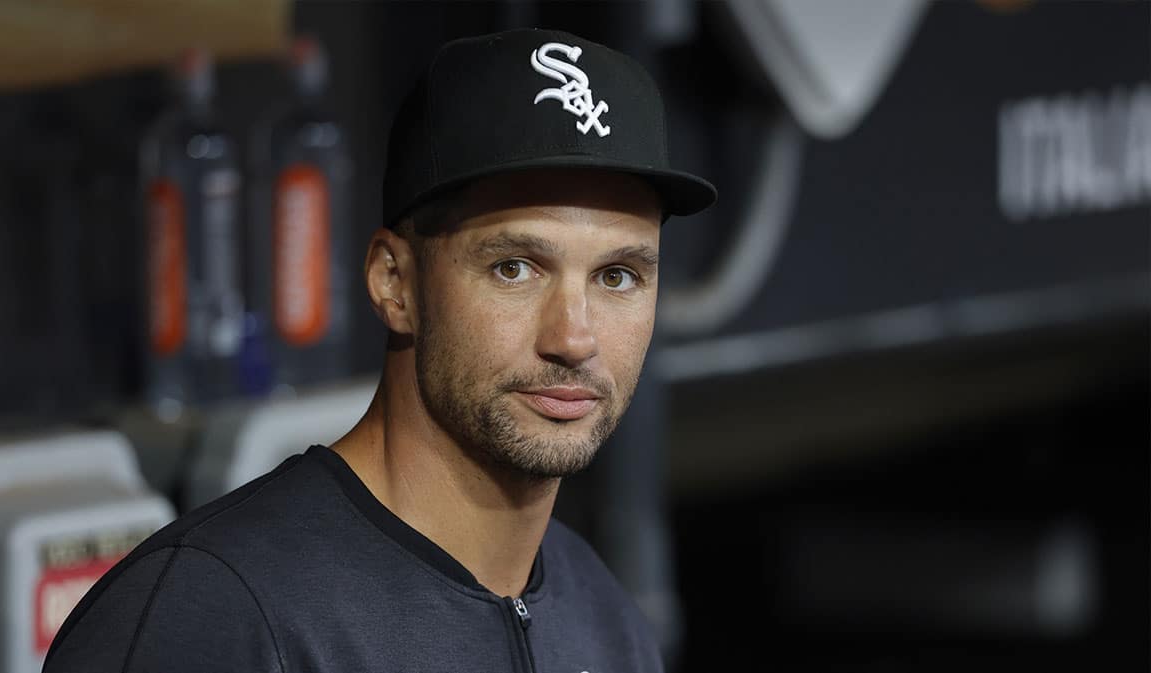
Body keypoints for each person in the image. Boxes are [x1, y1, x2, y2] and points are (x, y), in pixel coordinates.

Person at [44, 27, 714, 673]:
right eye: (514, 267)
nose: (574, 337)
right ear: (394, 282)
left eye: (617, 276)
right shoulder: (217, 615)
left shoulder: (604, 621)